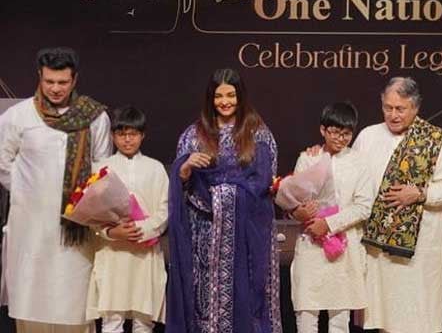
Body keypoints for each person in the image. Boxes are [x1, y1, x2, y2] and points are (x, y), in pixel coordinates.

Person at [0, 47, 111, 332]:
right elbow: (2, 162)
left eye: (62, 82)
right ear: (40, 76)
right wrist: (28, 192)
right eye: (49, 81)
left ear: (74, 80)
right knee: (31, 302)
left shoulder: (94, 116)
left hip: (76, 229)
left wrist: (79, 204)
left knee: (74, 305)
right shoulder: (18, 116)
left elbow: (101, 169)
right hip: (31, 229)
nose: (55, 88)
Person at [167, 68, 282, 333]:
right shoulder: (194, 135)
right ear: (211, 98)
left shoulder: (258, 134)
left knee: (249, 296)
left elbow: (265, 182)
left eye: (231, 95)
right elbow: (182, 185)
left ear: (241, 96)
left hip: (247, 237)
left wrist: (223, 197)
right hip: (205, 236)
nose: (225, 102)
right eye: (219, 96)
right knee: (205, 304)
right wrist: (184, 168)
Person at [353, 77, 442, 333]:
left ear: (415, 108)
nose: (393, 115)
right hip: (378, 248)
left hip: (419, 249)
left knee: (416, 316)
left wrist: (420, 193)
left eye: (400, 109)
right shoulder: (368, 136)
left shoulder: (435, 141)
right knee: (382, 315)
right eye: (387, 107)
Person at [279, 101, 373, 333]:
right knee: (306, 313)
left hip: (345, 247)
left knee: (340, 318)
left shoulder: (359, 162)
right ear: (323, 130)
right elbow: (295, 198)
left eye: (346, 133)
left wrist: (329, 224)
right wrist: (298, 211)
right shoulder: (308, 158)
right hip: (311, 243)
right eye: (334, 132)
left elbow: (363, 206)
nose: (340, 139)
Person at [85, 106, 168, 332]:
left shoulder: (156, 168)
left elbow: (164, 210)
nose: (127, 140)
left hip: (145, 253)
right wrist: (112, 232)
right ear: (113, 136)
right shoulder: (102, 168)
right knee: (112, 320)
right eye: (121, 134)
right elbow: (92, 214)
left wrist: (141, 229)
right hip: (112, 254)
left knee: (143, 321)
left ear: (143, 135)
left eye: (133, 134)